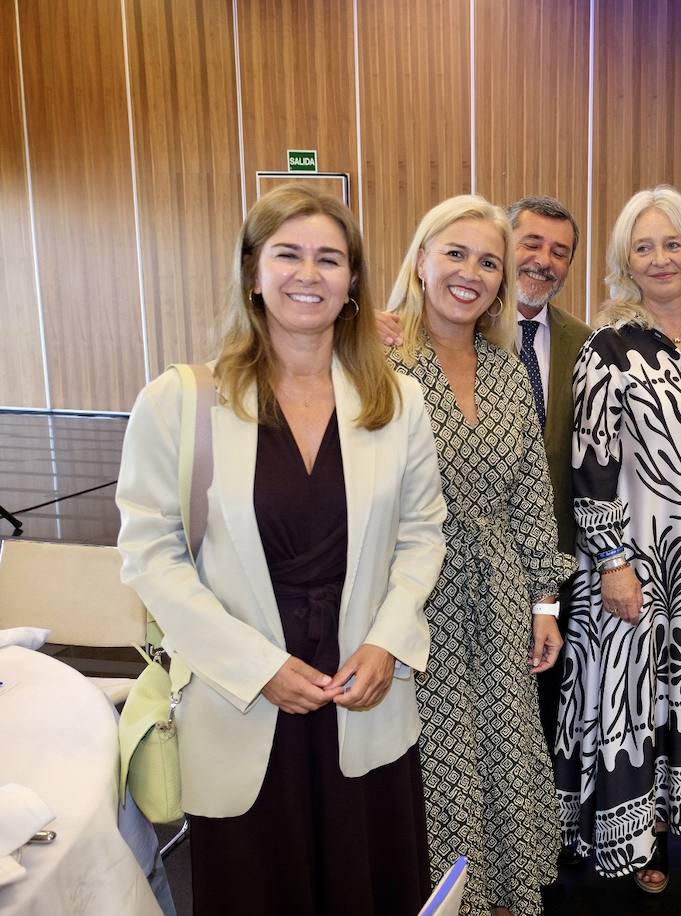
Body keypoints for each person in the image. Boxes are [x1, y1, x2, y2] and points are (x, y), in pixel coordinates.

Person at [116, 183, 446, 915]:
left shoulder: (399, 403)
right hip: (241, 701)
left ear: (354, 281)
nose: (309, 274)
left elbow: (423, 535)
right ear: (253, 272)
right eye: (288, 254)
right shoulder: (180, 401)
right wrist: (256, 667)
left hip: (364, 695)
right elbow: (151, 554)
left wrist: (389, 643)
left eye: (330, 259)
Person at [554, 185, 681, 912]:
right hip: (639, 559)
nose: (661, 258)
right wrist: (612, 561)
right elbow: (592, 462)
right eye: (644, 247)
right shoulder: (606, 349)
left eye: (672, 243)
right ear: (625, 263)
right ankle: (642, 837)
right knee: (642, 697)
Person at [385, 193, 576, 915]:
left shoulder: (504, 372)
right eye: (456, 253)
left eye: (488, 261)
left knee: (499, 753)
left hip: (497, 596)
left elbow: (531, 494)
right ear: (423, 260)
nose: (471, 272)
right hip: (411, 594)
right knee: (436, 764)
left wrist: (545, 604)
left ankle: (497, 896)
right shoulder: (381, 363)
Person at [504, 195, 595, 758]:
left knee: (543, 710)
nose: (544, 261)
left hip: (553, 561)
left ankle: (541, 837)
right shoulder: (454, 329)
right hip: (461, 562)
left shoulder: (583, 343)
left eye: (560, 252)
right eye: (531, 243)